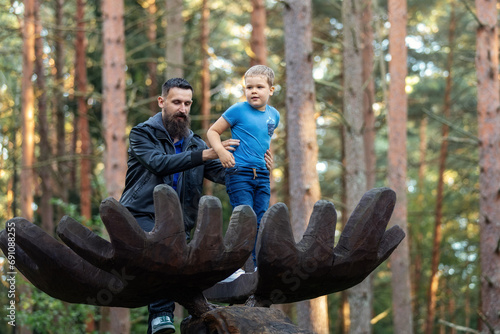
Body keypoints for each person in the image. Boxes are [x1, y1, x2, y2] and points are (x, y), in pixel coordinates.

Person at [119, 78, 240, 334]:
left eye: (187, 103)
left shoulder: (195, 143)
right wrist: (206, 153)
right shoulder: (142, 134)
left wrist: (254, 165)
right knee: (163, 248)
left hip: (181, 225)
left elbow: (222, 173)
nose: (182, 109)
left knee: (191, 264)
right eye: (176, 102)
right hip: (140, 216)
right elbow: (159, 163)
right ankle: (162, 315)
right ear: (162, 102)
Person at [207, 65, 280, 268]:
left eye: (259, 87)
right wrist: (221, 152)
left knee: (261, 220)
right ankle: (237, 267)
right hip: (239, 173)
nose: (253, 91)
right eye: (249, 87)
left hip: (262, 176)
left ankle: (255, 265)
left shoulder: (274, 115)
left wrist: (269, 160)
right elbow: (213, 131)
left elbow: (264, 141)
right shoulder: (238, 110)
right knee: (244, 218)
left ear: (271, 90)